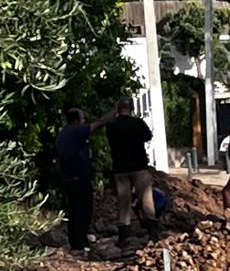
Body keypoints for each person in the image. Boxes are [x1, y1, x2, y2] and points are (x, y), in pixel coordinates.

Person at [55, 104, 117, 257]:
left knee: (76, 210)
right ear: (76, 121)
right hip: (78, 178)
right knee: (81, 210)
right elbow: (100, 123)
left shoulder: (64, 133)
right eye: (83, 118)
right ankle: (79, 245)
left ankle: (79, 242)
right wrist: (116, 110)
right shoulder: (75, 131)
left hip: (70, 177)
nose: (85, 121)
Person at [107, 96, 158, 249]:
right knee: (146, 199)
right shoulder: (137, 123)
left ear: (118, 108)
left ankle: (123, 237)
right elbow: (148, 136)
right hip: (139, 166)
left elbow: (110, 140)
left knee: (123, 202)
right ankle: (153, 234)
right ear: (132, 108)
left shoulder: (112, 125)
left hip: (120, 168)